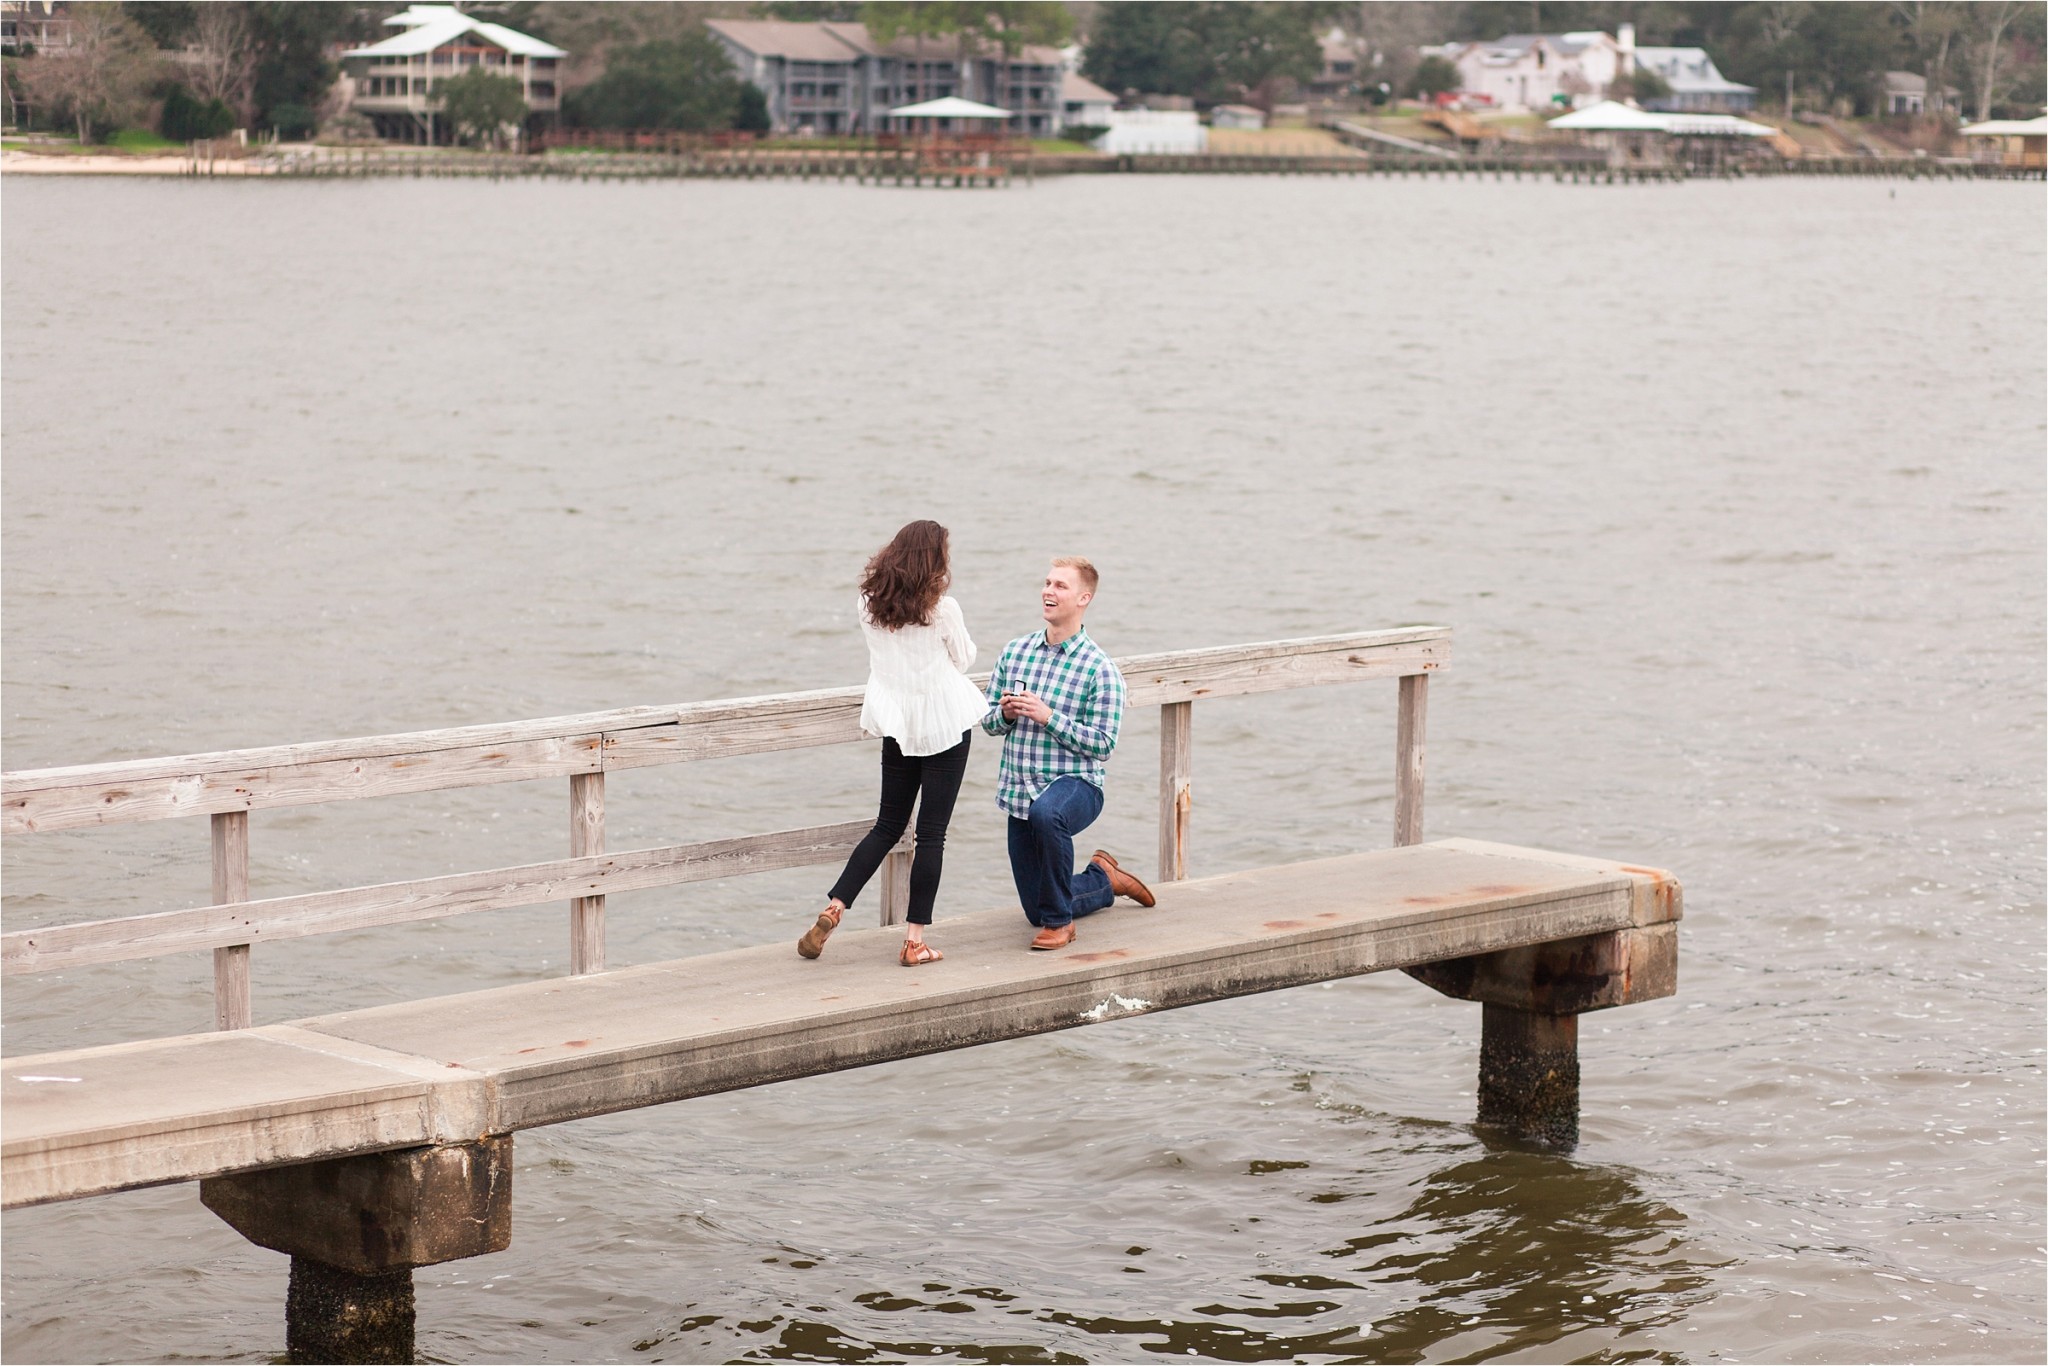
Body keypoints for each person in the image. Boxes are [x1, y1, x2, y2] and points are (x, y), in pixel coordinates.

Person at [798, 521, 987, 967]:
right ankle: (914, 941)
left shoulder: (868, 604)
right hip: (943, 724)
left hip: (898, 725)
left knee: (886, 826)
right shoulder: (943, 609)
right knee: (931, 835)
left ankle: (835, 907)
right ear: (934, 560)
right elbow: (964, 659)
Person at [983, 557, 1154, 951]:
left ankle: (1062, 925)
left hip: (1076, 786)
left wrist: (1048, 717)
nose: (1048, 591)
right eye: (1046, 582)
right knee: (1034, 910)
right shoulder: (1015, 652)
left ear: (1083, 598)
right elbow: (988, 722)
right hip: (1019, 791)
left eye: (1060, 586)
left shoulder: (1100, 669)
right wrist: (1006, 714)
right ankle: (1102, 878)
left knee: (1048, 813)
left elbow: (1103, 745)